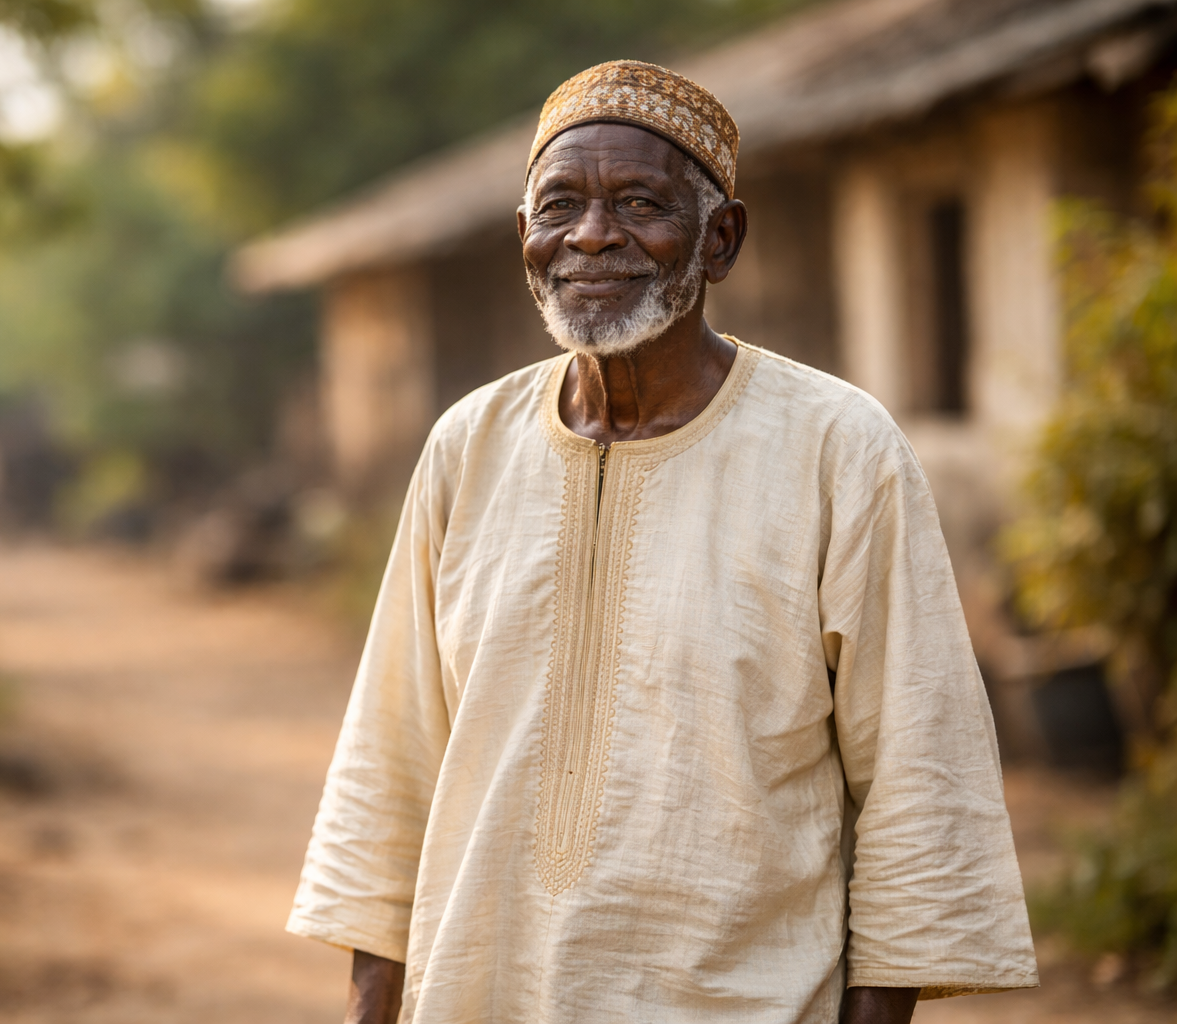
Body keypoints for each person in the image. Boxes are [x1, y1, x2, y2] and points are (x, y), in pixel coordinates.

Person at [287, 60, 1038, 1024]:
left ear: (720, 239)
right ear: (525, 238)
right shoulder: (467, 447)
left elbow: (918, 775)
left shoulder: (837, 448)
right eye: (560, 207)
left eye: (640, 203)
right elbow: (392, 764)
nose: (592, 236)